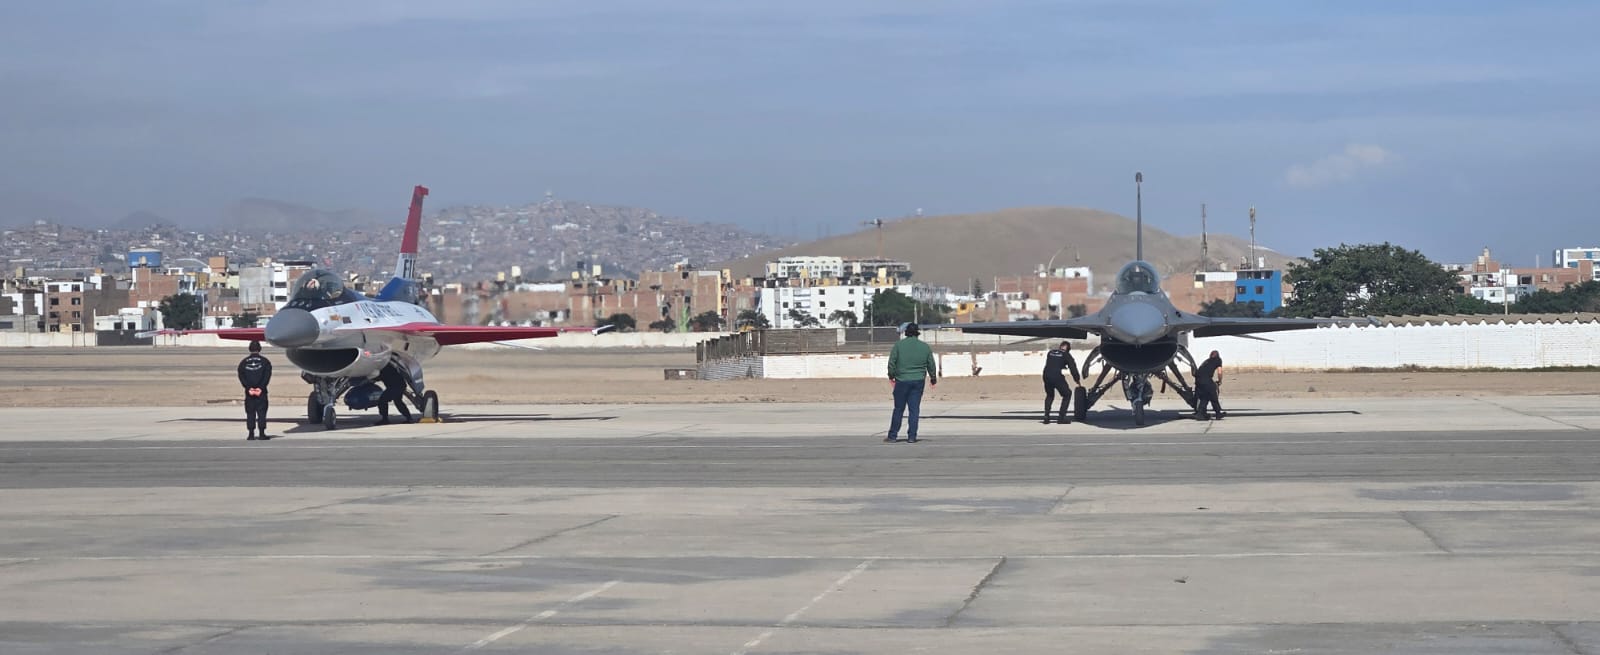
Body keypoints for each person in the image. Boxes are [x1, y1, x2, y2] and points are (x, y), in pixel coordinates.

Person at [886, 323, 938, 443]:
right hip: (918, 381)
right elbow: (931, 364)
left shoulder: (898, 345)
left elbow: (892, 363)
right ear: (917, 333)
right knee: (914, 410)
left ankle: (893, 436)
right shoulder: (924, 347)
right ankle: (912, 436)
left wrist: (891, 376)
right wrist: (933, 378)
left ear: (906, 332)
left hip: (902, 380)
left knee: (899, 409)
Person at [237, 340, 272, 440]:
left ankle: (251, 434)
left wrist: (248, 388)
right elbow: (267, 376)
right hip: (262, 393)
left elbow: (241, 376)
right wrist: (260, 388)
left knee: (250, 413)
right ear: (259, 349)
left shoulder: (243, 363)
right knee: (262, 413)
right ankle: (261, 433)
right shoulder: (265, 362)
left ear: (249, 349)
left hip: (249, 393)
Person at [1042, 341, 1082, 424]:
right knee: (1067, 394)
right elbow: (1073, 368)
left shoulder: (1050, 352)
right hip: (1056, 376)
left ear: (1060, 346)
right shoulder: (1066, 355)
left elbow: (1054, 363)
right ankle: (1061, 418)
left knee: (1049, 395)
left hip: (1046, 375)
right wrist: (1077, 380)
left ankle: (1046, 416)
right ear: (1068, 349)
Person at [1193, 350, 1225, 420]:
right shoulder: (1218, 360)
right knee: (1213, 395)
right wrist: (1220, 381)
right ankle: (1218, 413)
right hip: (1206, 380)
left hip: (1198, 381)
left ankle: (1200, 414)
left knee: (1205, 397)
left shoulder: (1206, 361)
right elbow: (1219, 372)